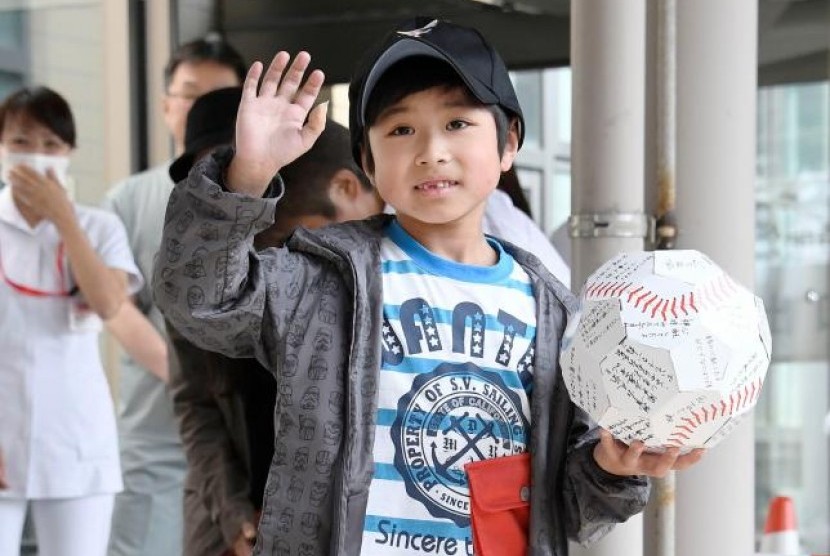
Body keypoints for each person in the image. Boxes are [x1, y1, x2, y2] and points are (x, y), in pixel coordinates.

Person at [153, 18, 704, 554]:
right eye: (400, 130)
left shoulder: (556, 313)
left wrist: (612, 468)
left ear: (508, 142)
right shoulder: (321, 278)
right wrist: (246, 175)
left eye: (457, 124)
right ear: (367, 162)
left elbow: (567, 512)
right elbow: (201, 302)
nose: (431, 150)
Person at [166, 87, 383, 556]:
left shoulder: (384, 263)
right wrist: (233, 512)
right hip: (233, 517)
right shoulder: (200, 276)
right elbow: (197, 406)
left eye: (243, 169)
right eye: (212, 180)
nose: (229, 189)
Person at [102, 35, 247, 556]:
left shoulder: (271, 194)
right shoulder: (129, 198)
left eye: (218, 96)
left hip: (242, 440)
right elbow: (117, 307)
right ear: (166, 105)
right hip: (157, 428)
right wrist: (186, 375)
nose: (199, 108)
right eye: (188, 95)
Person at [0, 86, 142, 555]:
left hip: (75, 441)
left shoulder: (99, 227)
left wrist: (64, 219)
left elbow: (107, 304)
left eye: (51, 145)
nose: (36, 155)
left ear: (69, 153)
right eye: (21, 142)